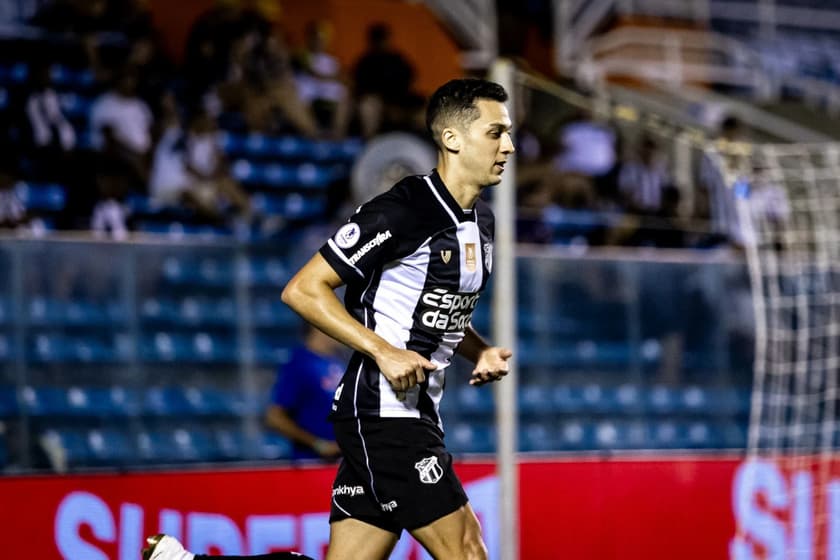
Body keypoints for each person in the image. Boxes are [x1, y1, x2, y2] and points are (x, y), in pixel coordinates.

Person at [145, 77, 514, 560]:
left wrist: (478, 349)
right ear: (452, 138)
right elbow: (302, 289)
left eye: (508, 133)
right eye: (495, 133)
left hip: (417, 409)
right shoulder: (401, 210)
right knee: (467, 551)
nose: (508, 146)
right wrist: (383, 350)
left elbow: (434, 309)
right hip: (385, 413)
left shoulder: (481, 221)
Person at [265, 323, 344, 461]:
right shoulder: (299, 364)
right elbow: (274, 418)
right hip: (313, 463)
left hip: (342, 460)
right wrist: (318, 444)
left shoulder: (338, 363)